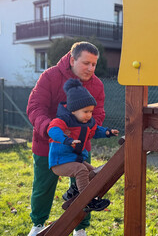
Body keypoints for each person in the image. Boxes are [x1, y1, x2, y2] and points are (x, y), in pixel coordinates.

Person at [26, 41, 106, 236]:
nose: (91, 68)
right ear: (72, 59)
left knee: (84, 186)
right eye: (86, 63)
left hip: (79, 147)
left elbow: (99, 114)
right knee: (43, 187)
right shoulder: (50, 76)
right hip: (47, 144)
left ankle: (80, 228)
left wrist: (85, 128)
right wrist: (52, 130)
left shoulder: (96, 84)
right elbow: (35, 108)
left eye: (94, 64)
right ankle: (38, 225)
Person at [48, 79, 119, 212]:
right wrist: (66, 140)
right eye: (85, 111)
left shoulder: (87, 123)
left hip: (74, 159)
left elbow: (96, 130)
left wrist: (108, 132)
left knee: (95, 173)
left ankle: (72, 192)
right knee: (81, 170)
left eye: (91, 111)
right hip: (59, 161)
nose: (89, 115)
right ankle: (88, 201)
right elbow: (53, 130)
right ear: (73, 110)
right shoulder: (62, 120)